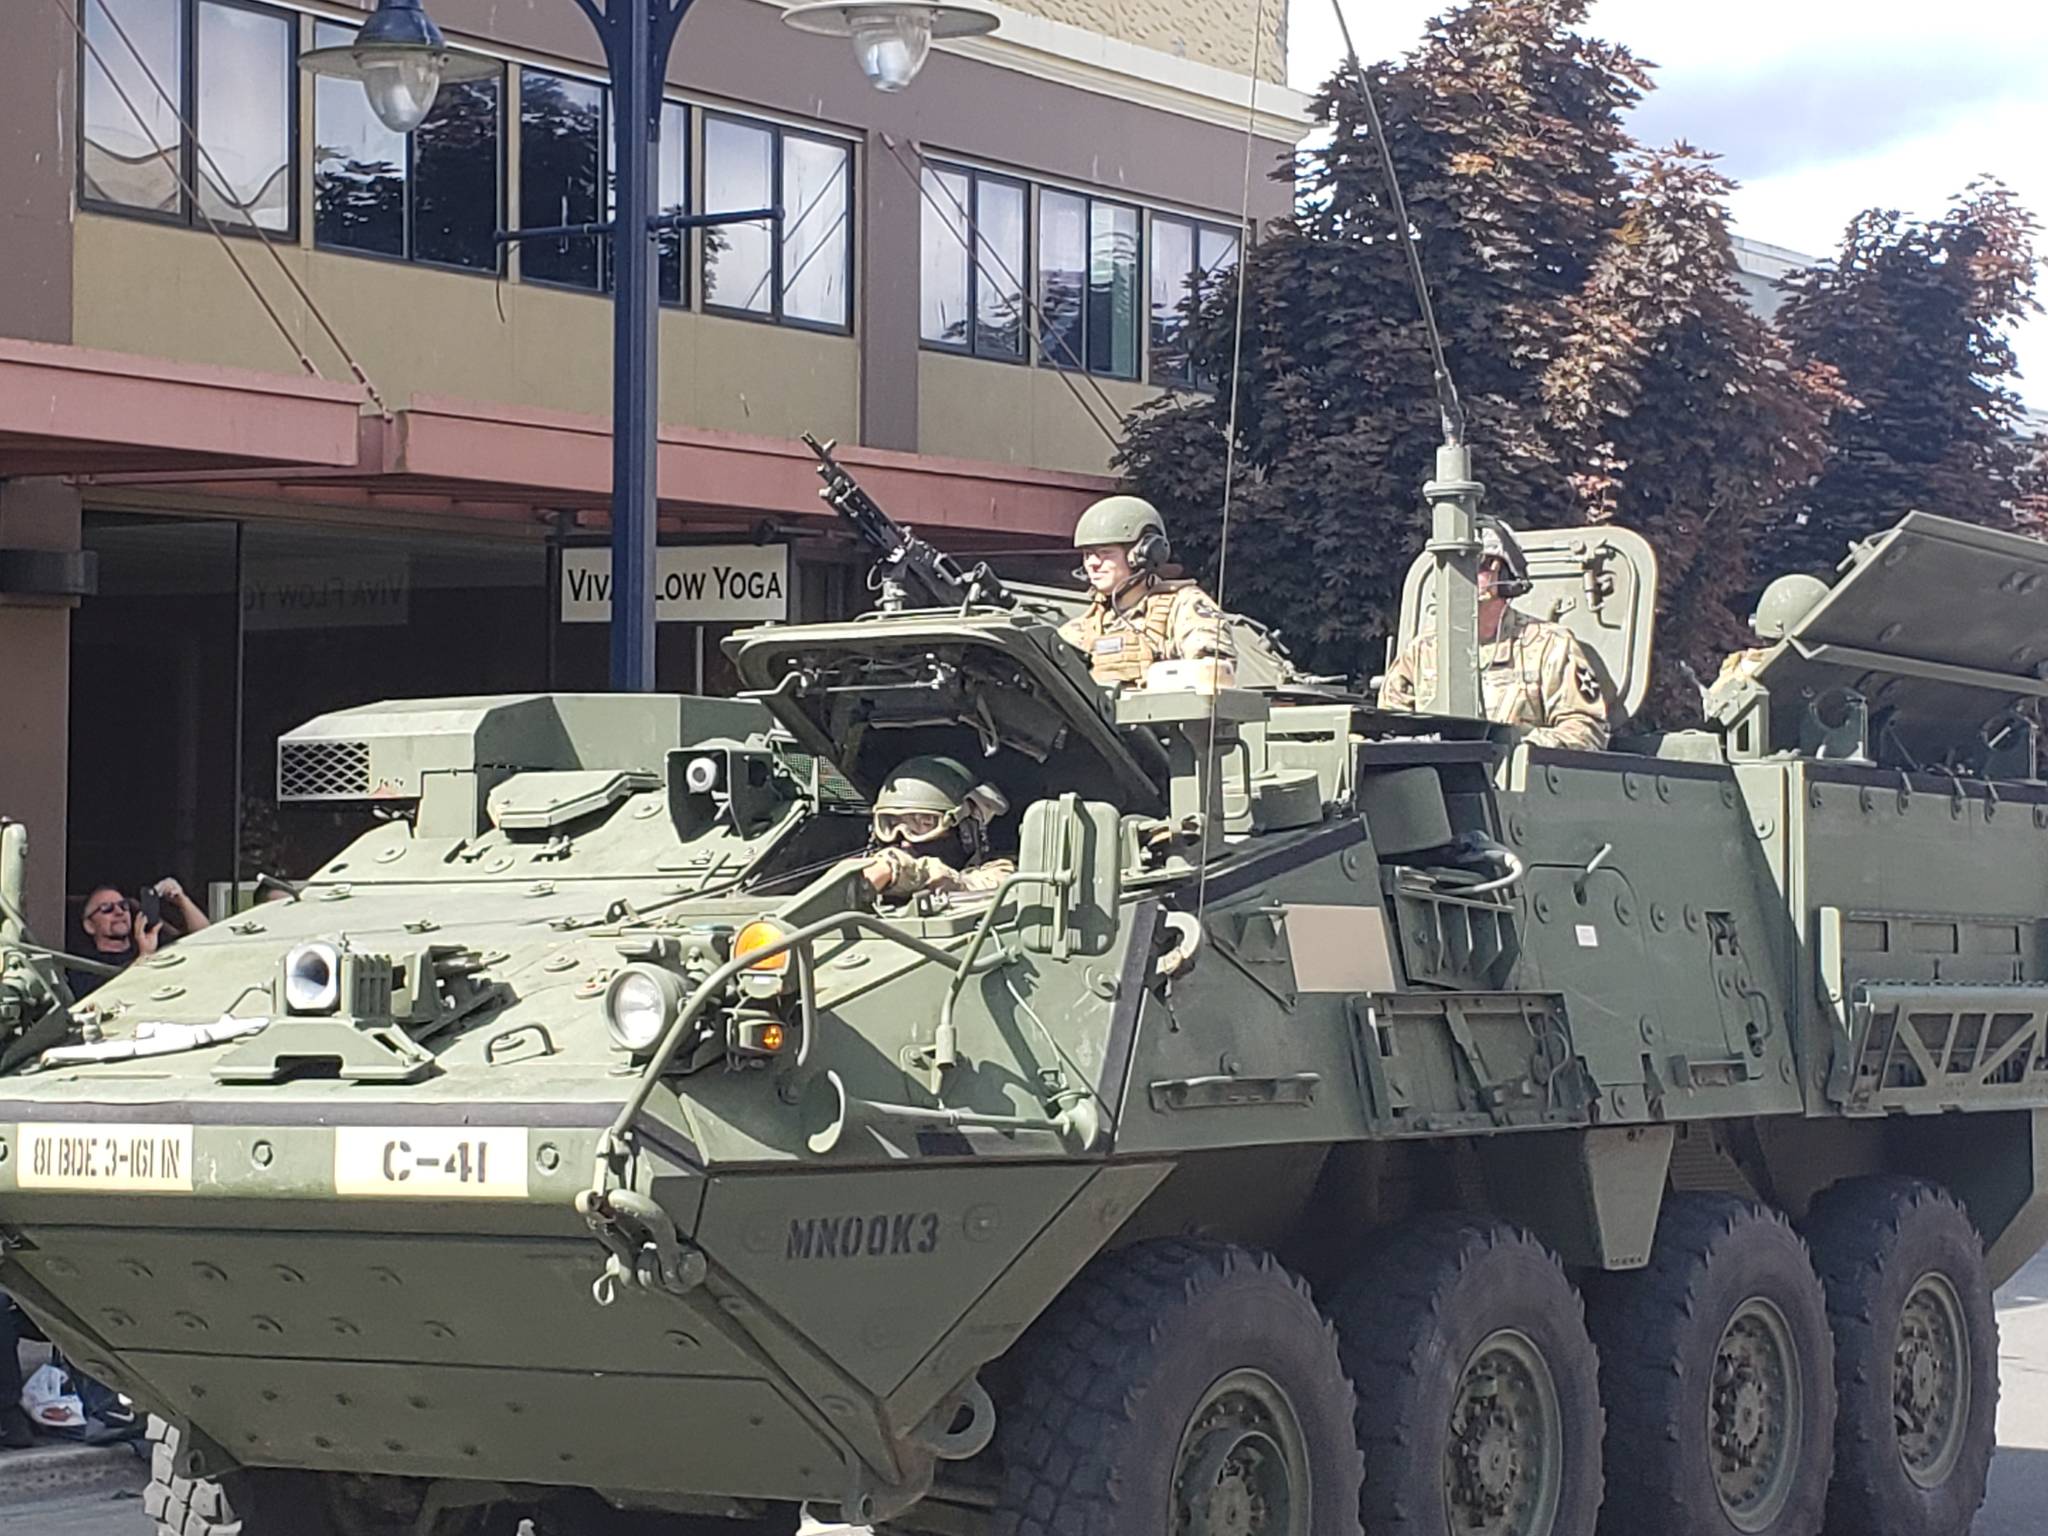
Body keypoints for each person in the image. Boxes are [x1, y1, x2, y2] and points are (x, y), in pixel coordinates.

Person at [1379, 526, 1610, 751]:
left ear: (1506, 574)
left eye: (1479, 563)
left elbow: (1586, 730)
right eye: (1453, 565)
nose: (1463, 574)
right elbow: (1388, 727)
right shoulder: (1424, 650)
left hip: (1518, 784)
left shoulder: (1550, 645)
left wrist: (1516, 745)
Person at [1058, 495, 1233, 688]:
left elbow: (1214, 671)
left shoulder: (1183, 606)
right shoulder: (1084, 627)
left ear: (1143, 554)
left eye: (1105, 553)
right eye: (1088, 555)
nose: (1092, 563)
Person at [861, 756, 1014, 904]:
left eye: (925, 823)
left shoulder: (1003, 873)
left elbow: (965, 885)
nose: (905, 842)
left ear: (965, 831)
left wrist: (895, 868)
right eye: (892, 824)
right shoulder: (870, 866)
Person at [71, 878, 211, 998]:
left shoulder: (151, 940)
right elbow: (102, 997)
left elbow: (207, 938)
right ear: (90, 925)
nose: (119, 912)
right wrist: (145, 956)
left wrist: (182, 900)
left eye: (123, 905)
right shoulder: (82, 965)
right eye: (107, 908)